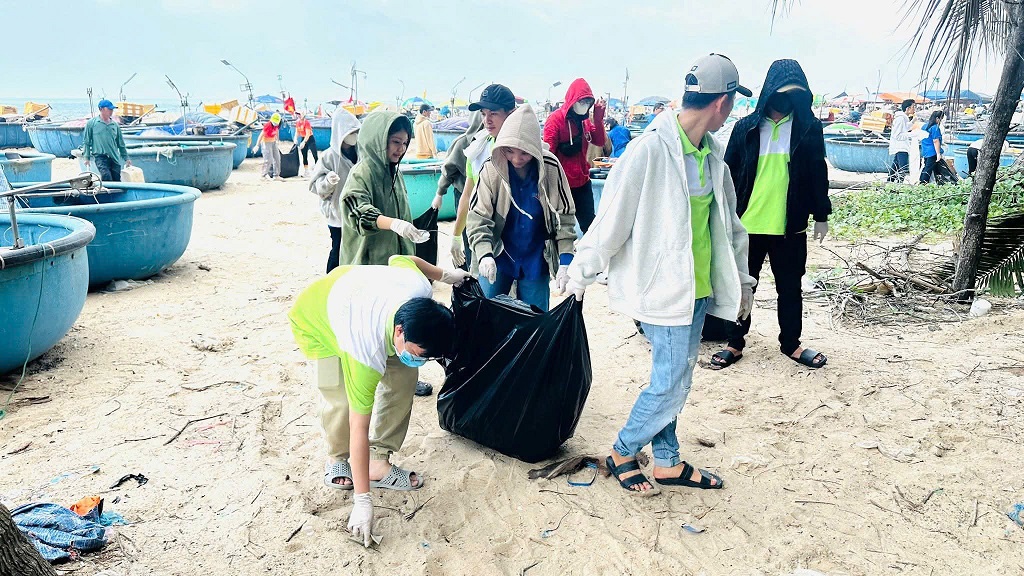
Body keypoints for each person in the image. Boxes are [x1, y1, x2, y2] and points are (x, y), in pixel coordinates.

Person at [566, 53, 755, 494]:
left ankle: (667, 461)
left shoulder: (710, 156)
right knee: (672, 382)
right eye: (731, 105)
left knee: (674, 377)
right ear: (722, 104)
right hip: (660, 291)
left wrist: (742, 281)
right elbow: (611, 218)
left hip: (699, 289)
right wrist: (581, 272)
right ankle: (622, 450)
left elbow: (730, 226)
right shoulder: (649, 149)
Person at [288, 254, 471, 547]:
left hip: (360, 295)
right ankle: (336, 457)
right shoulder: (363, 352)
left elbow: (402, 258)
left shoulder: (418, 289)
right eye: (419, 353)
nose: (421, 361)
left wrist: (445, 275)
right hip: (318, 318)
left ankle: (379, 460)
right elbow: (358, 427)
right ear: (400, 331)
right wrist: (362, 501)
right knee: (341, 398)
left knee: (403, 378)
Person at [711, 59, 831, 371]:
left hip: (789, 227)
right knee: (741, 286)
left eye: (794, 93)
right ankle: (735, 342)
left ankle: (791, 343)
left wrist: (821, 213)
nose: (786, 99)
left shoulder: (808, 129)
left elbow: (818, 171)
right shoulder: (746, 128)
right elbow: (726, 174)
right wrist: (722, 216)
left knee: (790, 286)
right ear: (768, 92)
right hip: (745, 225)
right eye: (781, 92)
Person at [466, 104, 577, 311]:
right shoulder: (491, 169)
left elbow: (564, 218)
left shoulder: (551, 168)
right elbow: (478, 218)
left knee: (535, 320)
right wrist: (484, 253)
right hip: (498, 255)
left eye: (525, 153)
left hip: (535, 257)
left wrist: (566, 260)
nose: (517, 159)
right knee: (487, 315)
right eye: (509, 151)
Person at [432, 84, 516, 273]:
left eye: (493, 113)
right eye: (483, 114)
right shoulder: (477, 150)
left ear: (511, 113)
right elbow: (467, 196)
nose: (487, 120)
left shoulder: (526, 153)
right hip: (485, 239)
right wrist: (455, 237)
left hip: (519, 243)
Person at [338, 111, 429, 266]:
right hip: (369, 265)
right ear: (378, 141)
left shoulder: (395, 172)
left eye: (405, 143)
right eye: (396, 142)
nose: (401, 149)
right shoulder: (362, 172)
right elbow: (356, 212)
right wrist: (394, 224)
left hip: (396, 262)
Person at [543, 79, 606, 234]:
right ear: (573, 100)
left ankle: (590, 255)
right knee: (560, 227)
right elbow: (547, 154)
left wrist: (598, 118)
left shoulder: (584, 122)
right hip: (561, 185)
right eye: (581, 101)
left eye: (587, 102)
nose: (584, 105)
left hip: (582, 182)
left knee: (590, 225)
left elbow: (599, 141)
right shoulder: (555, 120)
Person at [431, 111, 485, 268]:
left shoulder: (491, 142)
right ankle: (468, 265)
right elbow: (448, 170)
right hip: (463, 193)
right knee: (467, 231)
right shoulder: (462, 144)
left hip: (483, 196)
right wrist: (439, 193)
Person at [310, 109, 360, 273]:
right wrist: (327, 182)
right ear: (341, 133)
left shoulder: (361, 152)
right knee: (338, 248)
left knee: (357, 248)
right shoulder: (328, 157)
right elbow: (315, 186)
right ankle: (330, 279)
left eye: (357, 131)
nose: (355, 135)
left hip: (358, 210)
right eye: (351, 132)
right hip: (337, 213)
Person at [81, 99, 131, 182]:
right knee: (106, 176)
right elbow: (86, 142)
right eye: (109, 109)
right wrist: (87, 157)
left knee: (116, 180)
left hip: (114, 157)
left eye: (112, 109)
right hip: (100, 156)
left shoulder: (115, 125)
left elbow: (121, 144)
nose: (111, 111)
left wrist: (126, 158)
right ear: (101, 109)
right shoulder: (91, 123)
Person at [887, 99, 916, 183]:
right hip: (901, 147)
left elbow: (905, 128)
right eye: (913, 107)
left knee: (895, 167)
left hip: (902, 146)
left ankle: (889, 183)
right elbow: (897, 135)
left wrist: (913, 121)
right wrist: (913, 134)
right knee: (903, 168)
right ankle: (898, 185)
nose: (914, 109)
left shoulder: (903, 118)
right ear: (908, 108)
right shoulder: (900, 119)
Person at [253, 113, 283, 181]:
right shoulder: (267, 125)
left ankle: (276, 175)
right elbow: (261, 135)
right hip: (266, 143)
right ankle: (263, 175)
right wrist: (257, 145)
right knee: (268, 160)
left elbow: (277, 131)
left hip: (273, 142)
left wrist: (277, 140)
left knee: (277, 158)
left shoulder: (278, 125)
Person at [919, 110, 946, 184]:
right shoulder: (935, 128)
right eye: (941, 119)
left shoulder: (924, 126)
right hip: (933, 151)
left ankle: (924, 181)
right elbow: (935, 141)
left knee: (927, 167)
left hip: (925, 150)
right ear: (937, 119)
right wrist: (938, 153)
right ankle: (923, 183)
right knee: (928, 168)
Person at [294, 111, 319, 177]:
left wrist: (304, 142)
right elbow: (297, 132)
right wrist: (295, 138)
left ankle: (318, 167)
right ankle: (306, 171)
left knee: (314, 154)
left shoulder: (306, 122)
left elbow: (308, 134)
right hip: (303, 138)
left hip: (310, 139)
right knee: (304, 155)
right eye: (297, 114)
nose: (298, 116)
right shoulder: (298, 122)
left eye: (299, 114)